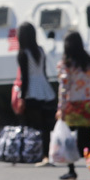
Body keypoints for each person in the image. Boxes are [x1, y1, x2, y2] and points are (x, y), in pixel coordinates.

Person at [56, 31, 90, 180]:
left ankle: (71, 170)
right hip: (88, 103)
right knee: (85, 139)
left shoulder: (66, 65)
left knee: (68, 139)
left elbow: (64, 88)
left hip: (72, 104)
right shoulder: (89, 63)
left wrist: (61, 107)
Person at [17, 21, 57, 167]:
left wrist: (22, 97)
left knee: (34, 125)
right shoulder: (40, 50)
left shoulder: (23, 53)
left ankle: (35, 154)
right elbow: (44, 72)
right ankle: (47, 155)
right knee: (46, 127)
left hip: (32, 91)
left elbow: (25, 77)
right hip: (45, 89)